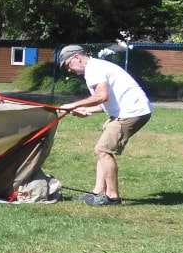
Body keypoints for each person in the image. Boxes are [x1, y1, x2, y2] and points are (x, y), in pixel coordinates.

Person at [56, 45, 152, 206]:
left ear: (77, 58)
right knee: (102, 149)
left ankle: (112, 197)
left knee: (102, 150)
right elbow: (105, 101)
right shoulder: (97, 67)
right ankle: (98, 193)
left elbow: (102, 96)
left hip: (131, 112)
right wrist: (86, 109)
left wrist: (72, 105)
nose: (69, 70)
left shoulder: (94, 69)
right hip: (128, 111)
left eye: (68, 65)